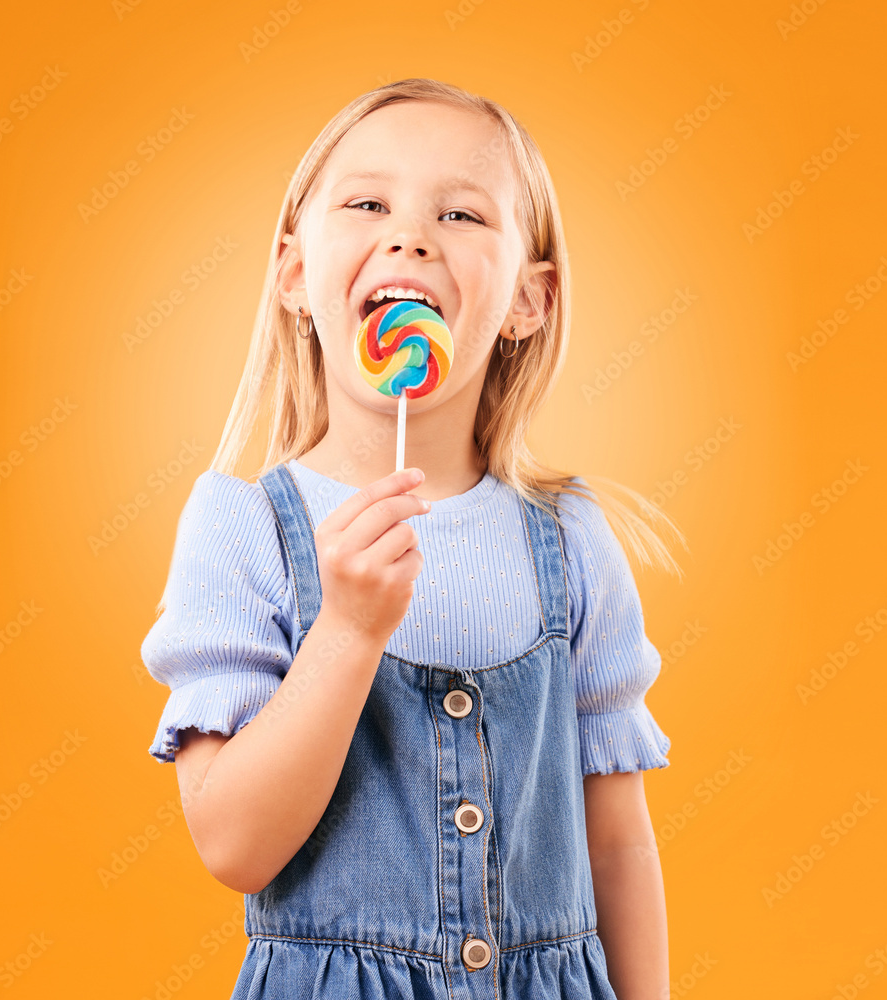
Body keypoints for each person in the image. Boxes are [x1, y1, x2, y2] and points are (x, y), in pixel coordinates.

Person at [141, 77, 687, 1000]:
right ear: (294, 275)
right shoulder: (245, 530)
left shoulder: (573, 540)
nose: (410, 235)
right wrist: (348, 631)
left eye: (463, 214)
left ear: (529, 300)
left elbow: (620, 841)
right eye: (366, 202)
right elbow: (233, 845)